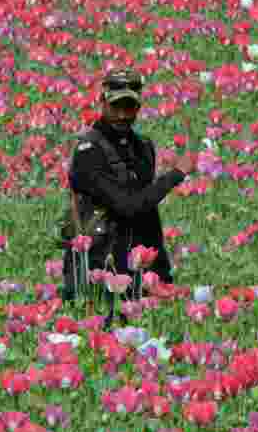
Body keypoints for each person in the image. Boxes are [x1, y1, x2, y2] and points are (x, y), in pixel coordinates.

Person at [60, 69, 196, 316]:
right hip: (97, 270)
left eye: (129, 107)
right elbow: (127, 206)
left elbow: (147, 215)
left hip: (136, 267)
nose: (122, 115)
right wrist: (175, 175)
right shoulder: (89, 152)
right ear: (102, 102)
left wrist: (162, 274)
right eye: (116, 106)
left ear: (138, 106)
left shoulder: (143, 147)